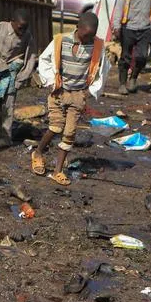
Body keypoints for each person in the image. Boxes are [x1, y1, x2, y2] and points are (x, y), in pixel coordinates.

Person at [32, 11, 103, 186]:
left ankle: (58, 171)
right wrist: (50, 81)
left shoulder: (97, 46)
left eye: (91, 37)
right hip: (59, 92)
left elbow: (102, 70)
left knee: (70, 133)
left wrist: (91, 91)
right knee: (56, 127)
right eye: (85, 36)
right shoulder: (60, 40)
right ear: (77, 27)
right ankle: (38, 152)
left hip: (78, 94)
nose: (87, 40)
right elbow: (44, 59)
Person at [0, 9, 38, 148]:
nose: (23, 31)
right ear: (12, 21)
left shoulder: (27, 36)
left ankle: (6, 137)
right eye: (20, 27)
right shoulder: (0, 27)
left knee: (8, 105)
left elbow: (31, 58)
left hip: (11, 75)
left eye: (26, 28)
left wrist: (21, 78)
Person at [112, 0, 151, 92]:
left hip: (145, 27)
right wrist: (116, 25)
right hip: (128, 27)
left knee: (142, 56)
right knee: (125, 57)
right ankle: (122, 84)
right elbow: (119, 5)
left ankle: (133, 78)